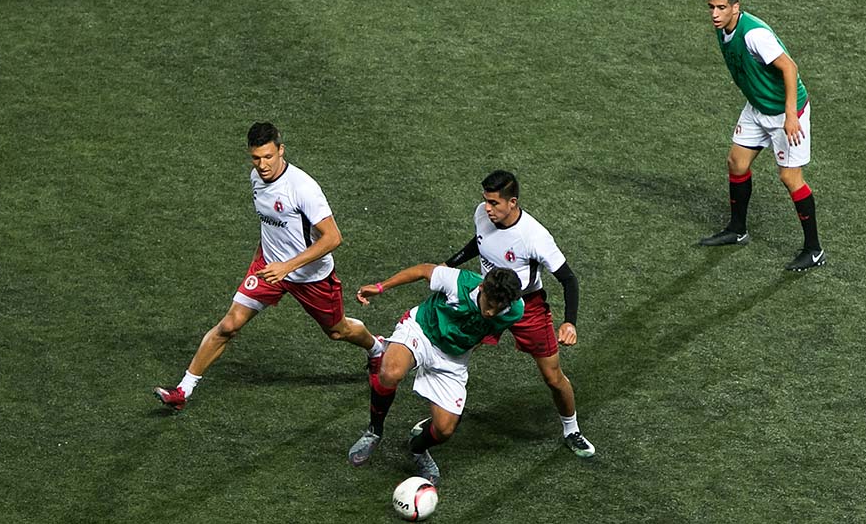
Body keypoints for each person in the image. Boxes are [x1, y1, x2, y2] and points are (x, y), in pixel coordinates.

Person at [153, 122, 384, 410]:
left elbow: (333, 237)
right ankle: (182, 391)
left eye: (268, 157)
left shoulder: (302, 188)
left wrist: (287, 266)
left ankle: (377, 348)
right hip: (268, 267)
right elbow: (270, 225)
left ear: (281, 150)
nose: (262, 165)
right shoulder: (256, 178)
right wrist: (261, 261)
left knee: (338, 331)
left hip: (310, 275)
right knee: (229, 325)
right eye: (256, 158)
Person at [442, 170, 595, 458]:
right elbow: (480, 242)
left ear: (512, 202)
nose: (487, 208)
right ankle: (443, 415)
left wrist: (570, 322)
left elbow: (568, 279)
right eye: (485, 201)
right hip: (486, 300)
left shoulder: (534, 237)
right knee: (452, 352)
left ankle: (571, 429)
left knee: (552, 376)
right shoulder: (483, 214)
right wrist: (450, 263)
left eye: (494, 203)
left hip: (526, 307)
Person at [347, 264, 524, 487]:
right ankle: (374, 431)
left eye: (497, 309)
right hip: (422, 331)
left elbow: (491, 331)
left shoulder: (515, 310)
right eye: (488, 305)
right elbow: (423, 270)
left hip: (453, 359)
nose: (490, 313)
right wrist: (381, 287)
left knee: (444, 429)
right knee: (390, 373)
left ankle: (417, 449)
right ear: (481, 288)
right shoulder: (457, 282)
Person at [700, 0, 827, 271]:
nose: (715, 14)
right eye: (711, 7)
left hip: (784, 112)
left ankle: (814, 249)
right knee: (737, 163)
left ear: (735, 7)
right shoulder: (724, 28)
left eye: (721, 7)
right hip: (758, 106)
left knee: (790, 178)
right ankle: (737, 229)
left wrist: (791, 115)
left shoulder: (754, 35)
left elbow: (789, 68)